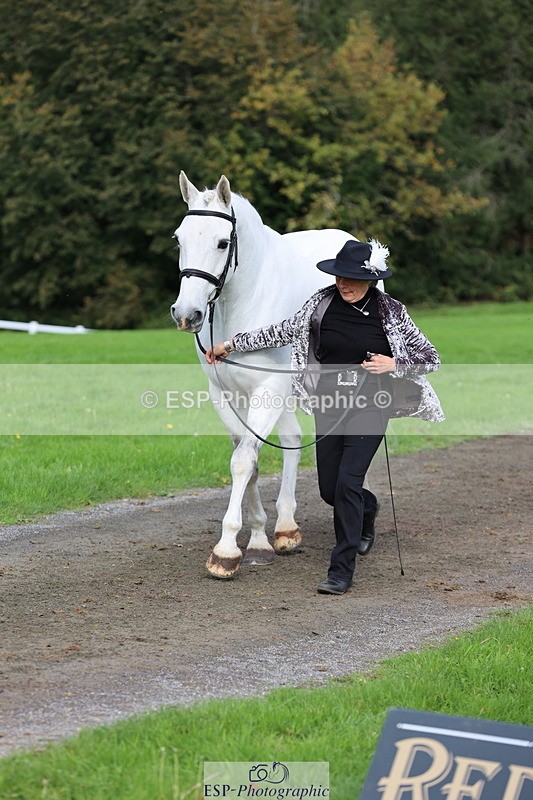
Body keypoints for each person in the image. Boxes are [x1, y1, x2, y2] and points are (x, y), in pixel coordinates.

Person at [206, 239, 444, 595]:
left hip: (372, 403)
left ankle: (341, 569)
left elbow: (430, 356)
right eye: (338, 277)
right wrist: (231, 344)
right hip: (328, 402)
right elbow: (283, 330)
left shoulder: (391, 311)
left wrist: (395, 363)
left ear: (371, 280)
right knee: (331, 489)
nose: (342, 284)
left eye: (350, 278)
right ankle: (367, 507)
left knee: (347, 482)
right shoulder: (321, 303)